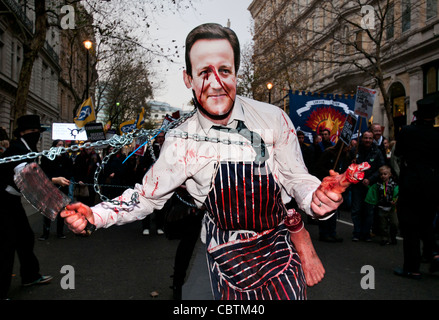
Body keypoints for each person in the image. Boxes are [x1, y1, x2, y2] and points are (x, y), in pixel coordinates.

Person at [61, 23, 352, 300]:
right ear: (188, 78)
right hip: (221, 250)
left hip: (276, 247)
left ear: (236, 73)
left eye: (224, 70)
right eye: (203, 73)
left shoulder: (273, 118)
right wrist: (95, 215)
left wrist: (317, 198)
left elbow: (296, 178)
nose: (216, 84)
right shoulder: (181, 141)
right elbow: (145, 197)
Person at [0, 115, 53, 299]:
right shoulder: (17, 149)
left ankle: (30, 275)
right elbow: (26, 175)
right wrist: (52, 181)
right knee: (7, 244)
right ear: (22, 132)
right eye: (32, 131)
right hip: (3, 201)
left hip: (12, 201)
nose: (36, 134)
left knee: (25, 237)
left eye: (38, 131)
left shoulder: (27, 148)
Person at [393, 97, 439, 279]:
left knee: (410, 227)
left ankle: (412, 267)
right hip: (433, 184)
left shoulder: (407, 131)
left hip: (411, 183)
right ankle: (433, 253)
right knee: (427, 222)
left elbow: (399, 153)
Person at [314, 139, 353, 242]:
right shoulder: (328, 153)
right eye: (347, 146)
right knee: (325, 209)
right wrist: (330, 173)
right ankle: (324, 233)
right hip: (326, 185)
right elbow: (318, 167)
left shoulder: (346, 156)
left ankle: (332, 232)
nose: (348, 149)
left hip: (337, 187)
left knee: (334, 210)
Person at [350, 130, 385, 241]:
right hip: (357, 185)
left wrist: (370, 179)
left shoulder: (377, 152)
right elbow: (348, 166)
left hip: (370, 186)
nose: (367, 140)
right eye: (365, 138)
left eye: (370, 138)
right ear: (362, 138)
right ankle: (357, 232)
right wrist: (352, 162)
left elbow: (381, 168)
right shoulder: (355, 150)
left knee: (369, 211)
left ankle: (366, 233)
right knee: (356, 209)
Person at [39, 140, 73, 240]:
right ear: (54, 146)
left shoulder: (67, 159)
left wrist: (64, 180)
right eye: (59, 144)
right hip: (50, 187)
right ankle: (45, 233)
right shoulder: (47, 158)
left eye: (63, 145)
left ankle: (60, 232)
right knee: (48, 212)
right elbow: (43, 172)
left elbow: (70, 172)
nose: (61, 146)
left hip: (63, 188)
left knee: (61, 211)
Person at [365, 165, 399, 246]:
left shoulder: (394, 184)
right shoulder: (378, 184)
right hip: (381, 207)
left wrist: (395, 201)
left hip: (392, 208)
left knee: (394, 223)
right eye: (381, 174)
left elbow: (397, 194)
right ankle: (384, 238)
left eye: (385, 174)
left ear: (390, 174)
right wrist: (367, 186)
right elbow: (372, 191)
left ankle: (393, 236)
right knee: (382, 225)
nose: (383, 176)